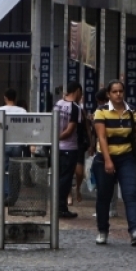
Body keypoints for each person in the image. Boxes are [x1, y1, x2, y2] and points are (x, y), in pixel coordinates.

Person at [92, 80, 136, 246]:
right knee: (104, 196)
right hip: (105, 158)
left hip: (127, 158)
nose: (118, 94)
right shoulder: (101, 112)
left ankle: (135, 231)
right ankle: (102, 230)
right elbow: (102, 137)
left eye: (120, 91)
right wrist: (108, 160)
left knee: (130, 193)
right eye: (114, 92)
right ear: (109, 95)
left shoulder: (131, 111)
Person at [54, 82, 84, 219]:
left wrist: (53, 139)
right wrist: (59, 138)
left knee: (59, 177)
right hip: (69, 148)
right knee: (65, 179)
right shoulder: (75, 108)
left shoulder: (58, 104)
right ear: (77, 91)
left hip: (57, 149)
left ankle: (58, 206)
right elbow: (70, 130)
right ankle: (61, 208)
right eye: (81, 93)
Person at [0, 88, 28, 205]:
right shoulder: (22, 111)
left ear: (5, 98)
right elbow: (25, 128)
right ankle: (13, 195)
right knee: (15, 170)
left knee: (4, 170)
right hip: (18, 144)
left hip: (5, 143)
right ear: (15, 98)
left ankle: (6, 194)